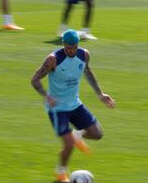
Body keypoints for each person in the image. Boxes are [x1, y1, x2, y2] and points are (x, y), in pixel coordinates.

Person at [31, 29, 115, 182]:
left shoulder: (84, 55)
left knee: (97, 134)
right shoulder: (53, 59)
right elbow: (34, 79)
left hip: (75, 105)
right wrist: (46, 95)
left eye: (74, 47)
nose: (72, 50)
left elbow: (88, 72)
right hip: (57, 108)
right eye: (69, 47)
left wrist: (100, 94)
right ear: (63, 44)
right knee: (68, 145)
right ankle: (61, 173)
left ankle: (77, 135)